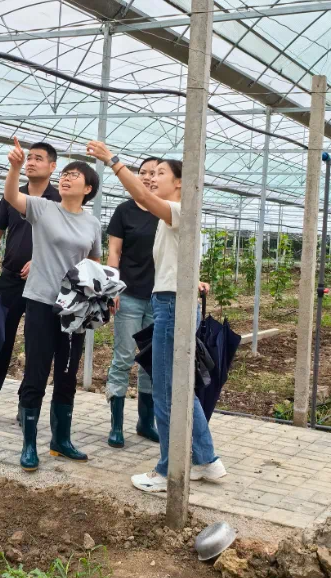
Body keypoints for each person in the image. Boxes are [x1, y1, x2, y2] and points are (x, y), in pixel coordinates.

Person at [86, 140, 227, 492]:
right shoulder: (179, 214)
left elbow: (147, 200)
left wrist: (113, 161)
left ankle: (166, 470)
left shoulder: (179, 210)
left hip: (171, 306)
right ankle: (206, 460)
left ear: (179, 182)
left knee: (166, 392)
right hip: (173, 301)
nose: (152, 179)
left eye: (160, 173)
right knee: (180, 389)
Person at [4, 138, 102, 472]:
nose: (67, 178)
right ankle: (29, 444)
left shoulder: (92, 223)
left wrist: (105, 292)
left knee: (66, 373)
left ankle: (61, 440)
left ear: (87, 188)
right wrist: (16, 167)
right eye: (66, 173)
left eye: (75, 176)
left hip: (75, 308)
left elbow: (94, 261)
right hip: (41, 301)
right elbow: (11, 197)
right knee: (36, 371)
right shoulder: (43, 208)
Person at [0, 142, 60, 425]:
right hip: (10, 278)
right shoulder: (13, 192)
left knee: (36, 343)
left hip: (44, 281)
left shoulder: (58, 197)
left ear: (52, 167)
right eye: (29, 158)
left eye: (38, 159)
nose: (31, 162)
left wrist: (42, 260)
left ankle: (26, 405)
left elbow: (63, 239)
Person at [105, 156, 161, 448]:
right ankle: (116, 426)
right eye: (144, 172)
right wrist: (112, 287)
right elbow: (114, 252)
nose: (150, 177)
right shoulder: (124, 211)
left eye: (155, 173)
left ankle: (145, 422)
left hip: (159, 298)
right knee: (124, 357)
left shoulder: (165, 211)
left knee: (151, 361)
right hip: (128, 294)